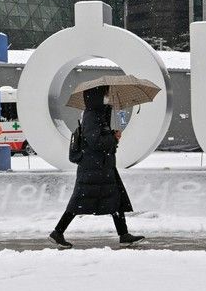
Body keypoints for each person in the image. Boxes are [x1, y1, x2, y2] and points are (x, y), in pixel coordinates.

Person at [49, 85, 145, 248]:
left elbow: (99, 137)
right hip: (94, 167)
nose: (108, 96)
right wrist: (113, 139)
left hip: (102, 165)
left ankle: (124, 235)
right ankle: (58, 232)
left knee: (115, 198)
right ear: (97, 96)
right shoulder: (92, 115)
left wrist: (111, 134)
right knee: (80, 200)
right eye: (105, 94)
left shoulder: (99, 113)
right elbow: (95, 141)